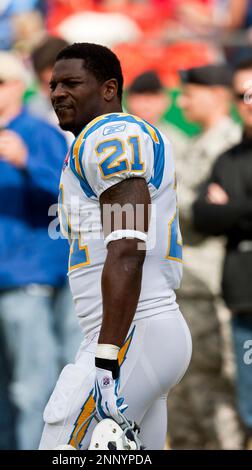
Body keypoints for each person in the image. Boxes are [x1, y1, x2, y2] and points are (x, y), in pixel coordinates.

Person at [39, 42, 192, 451]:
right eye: (53, 85)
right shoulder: (93, 140)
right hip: (142, 331)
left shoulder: (112, 134)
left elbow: (128, 246)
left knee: (60, 448)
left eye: (71, 83)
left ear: (109, 89)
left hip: (133, 330)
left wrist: (107, 357)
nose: (57, 93)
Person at [0, 50, 77, 450]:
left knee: (31, 389)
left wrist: (28, 163)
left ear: (19, 88)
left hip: (23, 280)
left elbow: (72, 196)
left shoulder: (38, 132)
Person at [167, 64, 243, 449]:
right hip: (186, 286)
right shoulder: (196, 143)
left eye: (190, 93)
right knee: (187, 394)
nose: (181, 101)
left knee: (222, 394)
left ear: (216, 94)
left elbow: (205, 215)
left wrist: (166, 195)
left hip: (213, 287)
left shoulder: (228, 144)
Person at [193, 58, 252, 450]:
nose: (248, 102)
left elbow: (222, 214)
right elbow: (202, 215)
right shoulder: (228, 158)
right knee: (248, 407)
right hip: (243, 301)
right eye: (242, 95)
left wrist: (232, 209)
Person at [126, 70, 189, 162]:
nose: (146, 105)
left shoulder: (175, 139)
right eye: (140, 97)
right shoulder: (118, 133)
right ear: (128, 100)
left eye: (152, 97)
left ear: (166, 101)